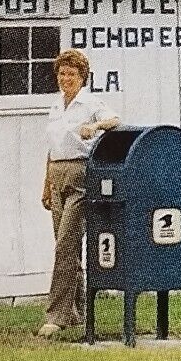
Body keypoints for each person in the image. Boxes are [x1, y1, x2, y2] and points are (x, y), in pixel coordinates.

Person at [37, 49, 119, 338]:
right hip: (57, 174)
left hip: (80, 175)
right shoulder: (55, 106)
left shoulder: (90, 102)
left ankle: (56, 315)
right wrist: (46, 183)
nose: (65, 78)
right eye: (62, 73)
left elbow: (115, 122)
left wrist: (94, 126)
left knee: (66, 245)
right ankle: (77, 311)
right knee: (64, 244)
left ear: (82, 77)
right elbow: (52, 147)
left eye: (71, 74)